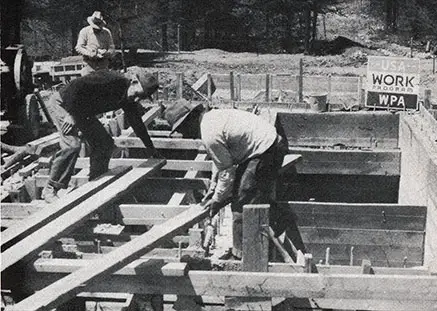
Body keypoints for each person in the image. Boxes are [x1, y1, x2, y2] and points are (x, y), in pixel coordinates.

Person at [163, 101, 303, 260]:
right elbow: (221, 164)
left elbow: (227, 173)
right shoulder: (211, 119)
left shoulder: (210, 134)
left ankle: (241, 256)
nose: (183, 134)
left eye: (181, 129)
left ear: (190, 120)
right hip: (267, 145)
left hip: (267, 151)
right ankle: (277, 219)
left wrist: (217, 200)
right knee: (244, 193)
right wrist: (213, 191)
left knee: (241, 202)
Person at [41, 70, 162, 203]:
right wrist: (70, 113)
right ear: (133, 82)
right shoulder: (112, 80)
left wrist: (151, 149)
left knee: (104, 143)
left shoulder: (129, 100)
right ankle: (51, 188)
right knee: (72, 144)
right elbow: (76, 86)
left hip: (82, 111)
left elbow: (137, 125)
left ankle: (96, 181)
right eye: (137, 94)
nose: (137, 99)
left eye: (142, 97)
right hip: (64, 103)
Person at [75, 11, 115, 76]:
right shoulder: (84, 31)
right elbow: (79, 47)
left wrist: (106, 53)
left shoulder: (106, 32)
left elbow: (112, 47)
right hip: (89, 66)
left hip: (103, 66)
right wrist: (90, 54)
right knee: (87, 84)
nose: (97, 29)